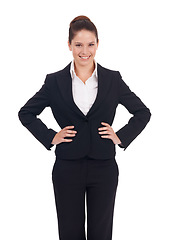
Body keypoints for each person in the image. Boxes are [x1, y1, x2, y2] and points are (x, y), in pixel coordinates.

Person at [18, 15, 151, 240]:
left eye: (90, 44)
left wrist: (120, 136)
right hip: (67, 167)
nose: (84, 51)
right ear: (69, 45)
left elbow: (143, 112)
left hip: (104, 167)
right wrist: (51, 137)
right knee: (70, 232)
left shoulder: (112, 79)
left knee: (101, 233)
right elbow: (26, 113)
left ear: (98, 44)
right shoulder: (54, 81)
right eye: (78, 44)